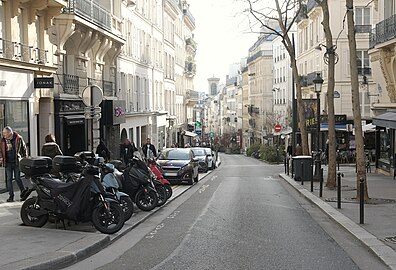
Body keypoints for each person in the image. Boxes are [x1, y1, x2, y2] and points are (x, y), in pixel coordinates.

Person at [0, 127, 28, 202]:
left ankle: (23, 191)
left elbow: (24, 149)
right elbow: (0, 150)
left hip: (16, 161)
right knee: (9, 179)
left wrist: (25, 159)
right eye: (3, 133)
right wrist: (1, 157)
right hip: (8, 162)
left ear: (9, 133)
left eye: (5, 133)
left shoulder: (18, 138)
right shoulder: (3, 140)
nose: (3, 134)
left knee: (17, 178)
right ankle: (11, 196)